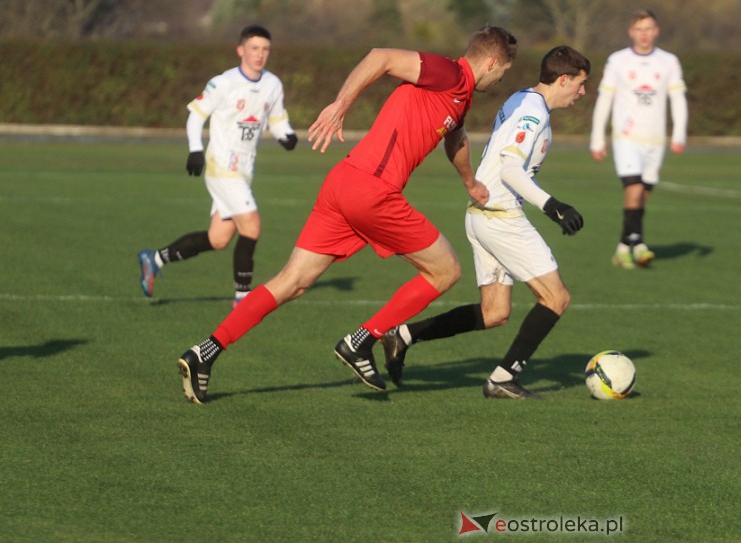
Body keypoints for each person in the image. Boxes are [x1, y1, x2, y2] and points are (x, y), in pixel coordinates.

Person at [176, 25, 518, 405]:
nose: (501, 78)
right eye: (503, 71)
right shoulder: (449, 73)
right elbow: (380, 57)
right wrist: (340, 106)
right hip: (373, 192)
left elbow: (454, 137)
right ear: (491, 62)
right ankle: (362, 341)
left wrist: (470, 182)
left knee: (292, 281)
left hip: (343, 184)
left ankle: (203, 353)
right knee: (446, 270)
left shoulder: (460, 95)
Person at [379, 46, 590, 399]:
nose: (582, 93)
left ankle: (402, 336)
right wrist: (553, 206)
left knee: (494, 312)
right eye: (581, 84)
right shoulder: (533, 113)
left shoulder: (523, 99)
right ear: (564, 79)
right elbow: (510, 168)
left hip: (481, 216)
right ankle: (503, 378)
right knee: (556, 298)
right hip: (501, 218)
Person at [138, 25, 297, 306]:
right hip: (221, 166)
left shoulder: (272, 84)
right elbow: (196, 116)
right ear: (240, 50)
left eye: (265, 49)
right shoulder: (222, 83)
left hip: (245, 170)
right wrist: (195, 149)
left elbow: (276, 116)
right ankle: (242, 298)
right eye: (254, 48)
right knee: (252, 226)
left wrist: (286, 134)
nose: (260, 55)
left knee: (219, 238)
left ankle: (156, 259)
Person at [589, 9, 688, 269]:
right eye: (639, 29)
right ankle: (640, 244)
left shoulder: (669, 62)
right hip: (626, 136)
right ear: (631, 32)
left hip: (655, 139)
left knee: (643, 194)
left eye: (649, 29)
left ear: (657, 31)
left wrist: (678, 133)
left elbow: (678, 98)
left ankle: (623, 248)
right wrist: (597, 138)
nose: (644, 34)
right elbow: (605, 99)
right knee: (632, 188)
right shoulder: (618, 61)